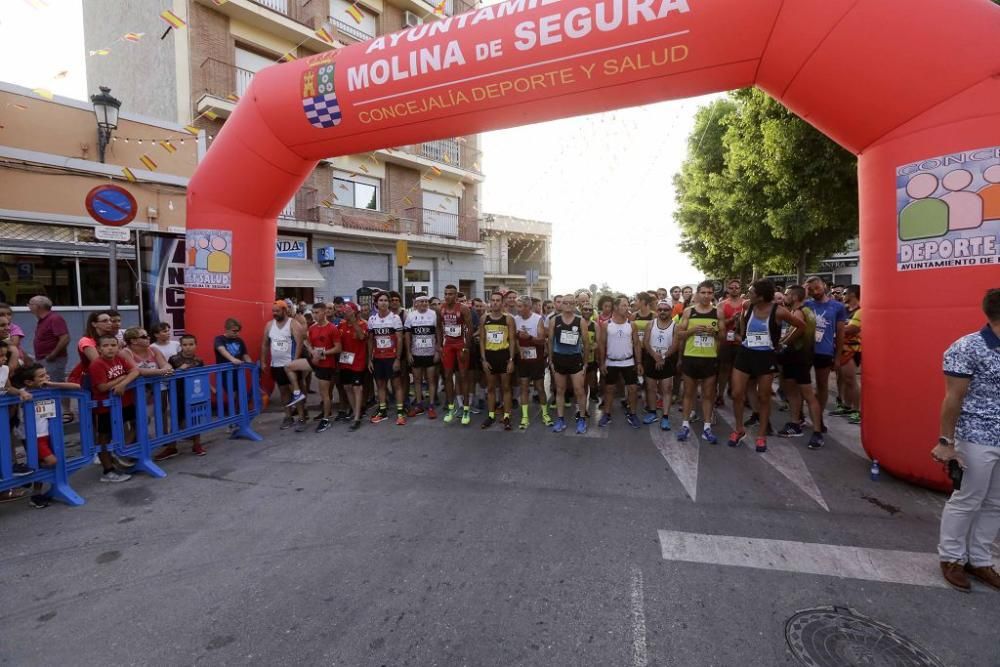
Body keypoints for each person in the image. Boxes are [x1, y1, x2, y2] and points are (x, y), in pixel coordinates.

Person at [932, 288, 1000, 593]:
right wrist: (946, 441)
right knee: (968, 499)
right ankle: (952, 558)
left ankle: (980, 559)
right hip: (976, 436)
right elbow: (953, 397)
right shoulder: (967, 347)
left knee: (997, 503)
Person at [728, 280, 806, 453]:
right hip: (745, 353)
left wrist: (783, 343)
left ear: (761, 296)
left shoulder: (778, 311)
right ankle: (739, 430)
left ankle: (761, 435)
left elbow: (801, 326)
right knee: (736, 393)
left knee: (764, 397)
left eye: (751, 291)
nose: (747, 294)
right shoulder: (747, 305)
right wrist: (741, 336)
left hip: (765, 356)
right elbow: (742, 322)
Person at [9, 363, 80, 508]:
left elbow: (76, 387)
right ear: (29, 382)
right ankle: (29, 474)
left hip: (48, 433)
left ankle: (36, 494)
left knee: (39, 463)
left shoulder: (48, 388)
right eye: (41, 376)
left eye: (46, 374)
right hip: (32, 436)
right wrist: (20, 396)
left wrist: (51, 382)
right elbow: (11, 401)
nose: (46, 377)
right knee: (52, 461)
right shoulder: (22, 392)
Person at [776, 286, 825, 449]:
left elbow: (797, 329)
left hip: (797, 357)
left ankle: (816, 432)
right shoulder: (808, 310)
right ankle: (796, 424)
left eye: (787, 294)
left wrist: (782, 343)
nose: (785, 297)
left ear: (795, 296)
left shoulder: (798, 312)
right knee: (796, 394)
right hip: (803, 357)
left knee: (804, 395)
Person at [674, 281, 721, 443]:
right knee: (688, 393)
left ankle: (707, 428)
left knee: (708, 395)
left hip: (710, 359)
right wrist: (692, 331)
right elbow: (679, 334)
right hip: (691, 358)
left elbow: (723, 337)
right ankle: (685, 425)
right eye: (703, 292)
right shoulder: (688, 312)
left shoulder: (718, 312)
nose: (706, 296)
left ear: (713, 294)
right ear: (697, 294)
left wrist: (714, 332)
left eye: (709, 293)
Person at [88, 334, 139, 483]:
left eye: (113, 345)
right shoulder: (97, 364)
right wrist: (121, 379)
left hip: (125, 402)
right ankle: (108, 470)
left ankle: (120, 451)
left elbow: (135, 371)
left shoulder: (120, 359)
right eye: (105, 346)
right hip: (106, 407)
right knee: (104, 437)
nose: (110, 348)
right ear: (98, 349)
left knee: (139, 422)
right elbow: (102, 387)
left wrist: (123, 383)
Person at [154, 334, 207, 460]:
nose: (188, 347)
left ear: (196, 345)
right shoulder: (174, 359)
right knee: (176, 419)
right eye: (185, 345)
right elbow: (167, 374)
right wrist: (179, 370)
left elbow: (202, 377)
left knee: (196, 419)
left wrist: (209, 389)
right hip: (177, 394)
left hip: (194, 395)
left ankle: (197, 444)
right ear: (181, 346)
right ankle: (172, 447)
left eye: (191, 344)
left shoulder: (199, 360)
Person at [805, 276, 847, 433]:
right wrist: (804, 289)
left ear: (824, 285)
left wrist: (837, 357)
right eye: (811, 289)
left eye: (817, 287)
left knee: (822, 386)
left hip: (824, 350)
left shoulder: (837, 307)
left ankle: (819, 416)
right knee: (803, 385)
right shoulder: (806, 304)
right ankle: (801, 417)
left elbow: (841, 333)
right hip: (806, 351)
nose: (815, 291)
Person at [261, 301, 308, 431]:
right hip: (276, 364)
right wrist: (263, 361)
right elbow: (265, 344)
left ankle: (302, 417)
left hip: (290, 364)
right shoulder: (269, 325)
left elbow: (299, 343)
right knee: (283, 391)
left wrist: (295, 361)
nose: (274, 313)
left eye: (277, 311)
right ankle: (288, 416)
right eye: (273, 311)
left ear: (284, 310)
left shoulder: (293, 323)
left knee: (296, 390)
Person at [597, 295, 642, 429]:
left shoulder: (631, 324)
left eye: (627, 305)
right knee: (609, 389)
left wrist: (639, 363)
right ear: (616, 307)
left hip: (628, 362)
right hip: (611, 362)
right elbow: (602, 344)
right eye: (623, 305)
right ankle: (607, 414)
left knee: (633, 389)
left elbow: (637, 344)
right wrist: (602, 363)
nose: (627, 307)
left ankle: (633, 414)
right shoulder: (606, 325)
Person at [548, 293, 591, 434]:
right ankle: (560, 419)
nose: (568, 305)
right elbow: (549, 341)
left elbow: (586, 343)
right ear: (560, 304)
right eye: (565, 303)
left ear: (575, 305)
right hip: (559, 358)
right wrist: (551, 360)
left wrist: (585, 364)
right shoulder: (554, 320)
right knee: (560, 390)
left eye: (571, 303)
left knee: (579, 390)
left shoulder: (580, 321)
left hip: (575, 359)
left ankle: (582, 419)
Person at [368, 292, 406, 426]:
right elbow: (371, 341)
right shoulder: (372, 319)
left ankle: (400, 412)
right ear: (376, 303)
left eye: (385, 300)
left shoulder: (395, 318)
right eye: (380, 300)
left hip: (391, 357)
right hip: (378, 357)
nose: (383, 302)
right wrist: (369, 359)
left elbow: (400, 339)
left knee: (397, 385)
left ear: (388, 303)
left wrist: (397, 359)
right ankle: (382, 411)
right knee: (380, 385)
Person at [514, 295, 552, 430]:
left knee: (540, 387)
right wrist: (520, 351)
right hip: (523, 359)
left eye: (519, 306)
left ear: (527, 307)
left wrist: (529, 337)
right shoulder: (515, 320)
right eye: (517, 306)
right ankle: (525, 417)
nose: (517, 309)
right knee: (524, 387)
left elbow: (542, 340)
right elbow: (514, 339)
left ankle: (545, 414)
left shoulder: (537, 319)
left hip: (537, 359)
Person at [479, 291, 516, 430]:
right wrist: (483, 359)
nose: (495, 303)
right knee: (490, 387)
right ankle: (491, 415)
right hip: (489, 356)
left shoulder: (508, 319)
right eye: (493, 300)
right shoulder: (484, 318)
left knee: (505, 387)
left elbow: (512, 340)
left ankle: (507, 416)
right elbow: (482, 340)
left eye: (498, 300)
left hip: (504, 355)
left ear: (502, 302)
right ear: (490, 302)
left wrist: (511, 359)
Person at [439, 285, 474, 425]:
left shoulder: (463, 309)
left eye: (451, 294)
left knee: (463, 376)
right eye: (446, 293)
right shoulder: (441, 309)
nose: (448, 296)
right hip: (448, 345)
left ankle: (466, 409)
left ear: (456, 296)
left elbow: (470, 328)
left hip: (461, 344)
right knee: (447, 375)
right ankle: (450, 408)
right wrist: (439, 345)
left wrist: (466, 347)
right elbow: (438, 326)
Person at [642, 300, 680, 431]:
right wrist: (655, 356)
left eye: (666, 309)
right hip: (651, 358)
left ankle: (665, 417)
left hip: (667, 359)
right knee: (651, 388)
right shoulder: (651, 324)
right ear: (657, 311)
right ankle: (652, 413)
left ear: (671, 310)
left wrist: (663, 357)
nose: (663, 312)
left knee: (667, 389)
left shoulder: (675, 326)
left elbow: (675, 346)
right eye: (660, 309)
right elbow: (645, 342)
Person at [305, 302, 341, 433]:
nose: (314, 315)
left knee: (324, 394)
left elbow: (338, 348)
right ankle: (297, 393)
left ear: (324, 312)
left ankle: (326, 419)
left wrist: (322, 353)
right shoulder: (312, 328)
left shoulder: (332, 328)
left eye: (317, 313)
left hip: (327, 364)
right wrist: (311, 351)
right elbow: (307, 342)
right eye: (313, 313)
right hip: (315, 361)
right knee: (290, 367)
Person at [405, 294, 440, 419]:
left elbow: (438, 333)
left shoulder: (434, 314)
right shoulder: (410, 315)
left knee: (431, 380)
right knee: (417, 380)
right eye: (422, 301)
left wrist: (437, 351)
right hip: (416, 353)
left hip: (430, 353)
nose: (424, 303)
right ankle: (419, 404)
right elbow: (408, 335)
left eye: (426, 301)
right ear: (416, 303)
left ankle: (431, 405)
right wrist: (408, 352)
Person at [337, 302, 368, 432]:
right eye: (344, 311)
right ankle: (355, 411)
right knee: (347, 387)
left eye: (348, 310)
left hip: (358, 360)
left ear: (355, 312)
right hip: (345, 360)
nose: (345, 312)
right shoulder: (341, 325)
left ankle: (356, 417)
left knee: (357, 388)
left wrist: (354, 321)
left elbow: (361, 336)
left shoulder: (363, 324)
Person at [834, 284, 862, 424]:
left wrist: (837, 329)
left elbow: (853, 328)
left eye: (844, 292)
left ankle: (858, 410)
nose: (842, 295)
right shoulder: (844, 309)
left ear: (852, 294)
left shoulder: (861, 310)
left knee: (851, 380)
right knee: (841, 378)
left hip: (853, 350)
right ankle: (846, 405)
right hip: (840, 348)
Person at [28, 296, 70, 389]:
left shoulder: (54, 318)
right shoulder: (43, 320)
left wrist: (53, 355)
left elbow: (65, 338)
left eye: (30, 304)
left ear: (38, 306)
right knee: (49, 385)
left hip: (53, 360)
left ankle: (61, 404)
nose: (28, 306)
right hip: (45, 359)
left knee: (56, 384)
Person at [716, 279, 744, 409]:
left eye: (736, 287)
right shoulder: (722, 305)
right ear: (727, 289)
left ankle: (738, 394)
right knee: (724, 370)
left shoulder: (746, 304)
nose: (734, 289)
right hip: (726, 341)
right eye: (731, 287)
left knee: (739, 370)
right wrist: (732, 319)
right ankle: (720, 395)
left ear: (740, 289)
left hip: (741, 342)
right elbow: (718, 324)